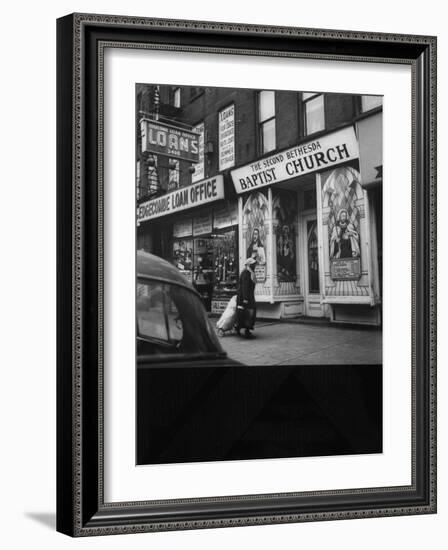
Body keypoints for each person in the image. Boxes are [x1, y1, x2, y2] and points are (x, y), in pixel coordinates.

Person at [235, 257, 257, 338]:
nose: (254, 266)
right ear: (249, 265)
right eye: (253, 264)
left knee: (248, 313)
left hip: (248, 296)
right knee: (246, 313)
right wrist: (245, 298)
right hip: (245, 297)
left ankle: (244, 328)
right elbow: (245, 287)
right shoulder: (246, 274)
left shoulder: (250, 273)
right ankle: (242, 328)